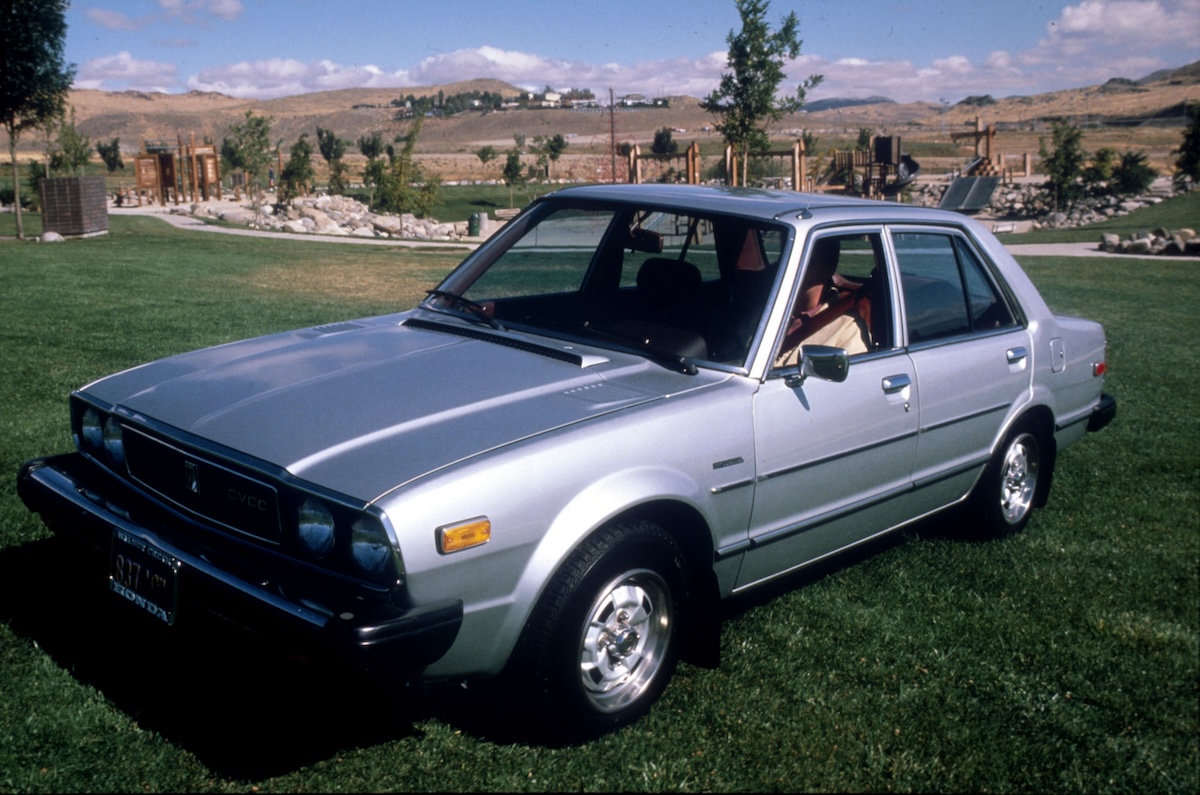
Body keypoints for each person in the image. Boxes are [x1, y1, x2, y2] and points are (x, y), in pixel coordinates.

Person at [774, 237, 870, 367]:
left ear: (829, 269)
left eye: (804, 261)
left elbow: (854, 374)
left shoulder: (848, 327)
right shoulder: (767, 310)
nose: (790, 267)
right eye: (786, 260)